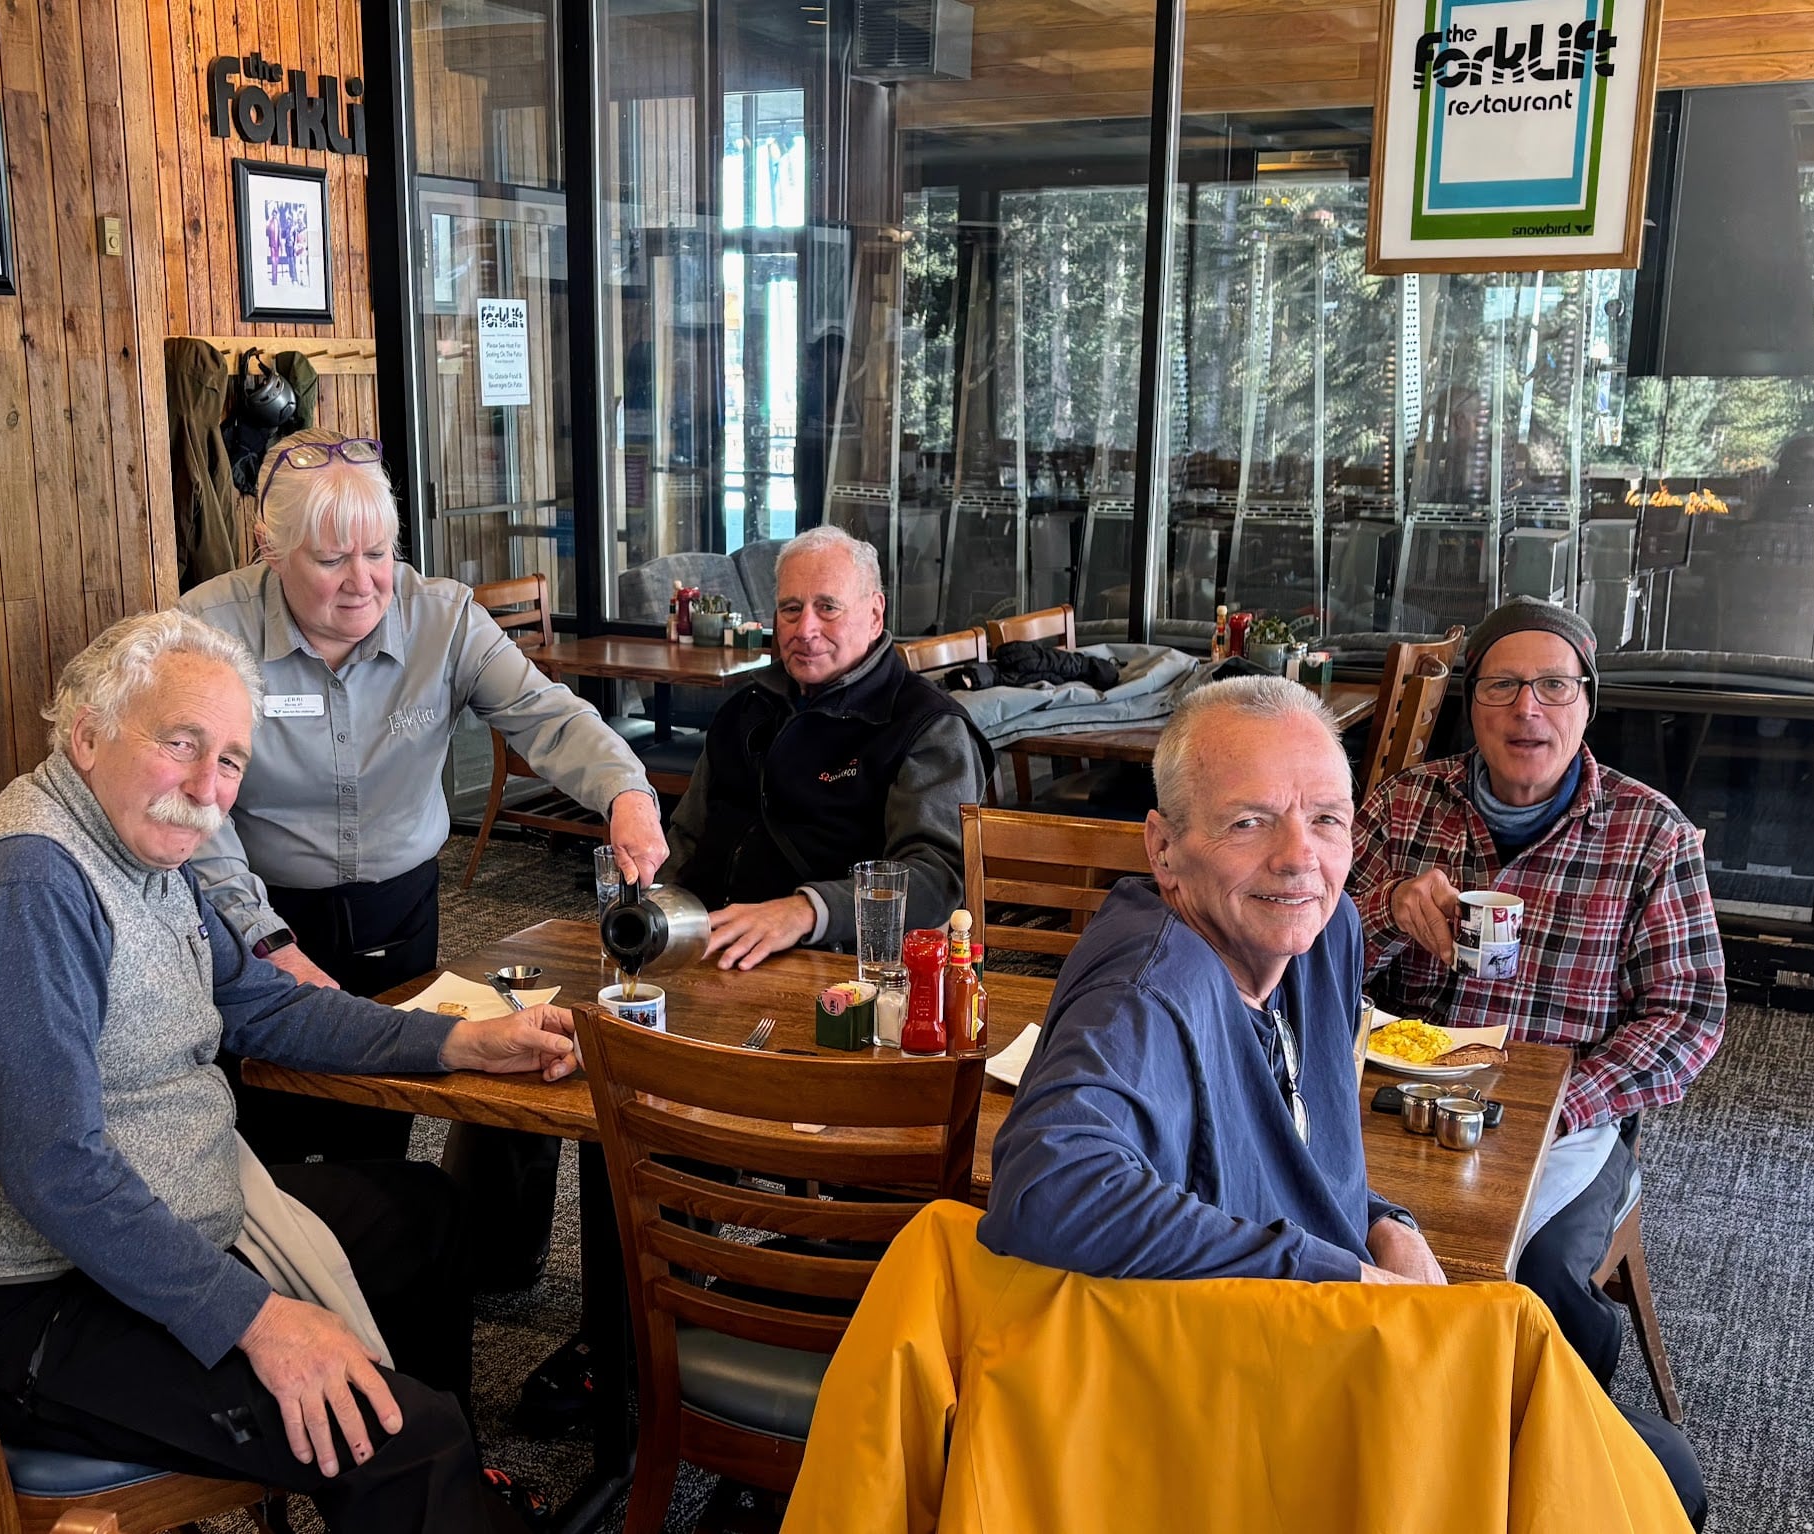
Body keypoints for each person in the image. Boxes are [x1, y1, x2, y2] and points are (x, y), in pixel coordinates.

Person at [0, 610, 578, 1531]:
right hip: (29, 1301)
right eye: (181, 743)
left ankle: (418, 1494)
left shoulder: (140, 851)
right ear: (86, 735)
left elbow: (264, 1001)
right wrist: (257, 1318)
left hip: (160, 1219)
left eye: (233, 761)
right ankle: (415, 1473)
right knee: (404, 1435)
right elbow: (56, 1171)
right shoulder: (31, 888)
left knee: (424, 1217)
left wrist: (456, 1043)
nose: (209, 787)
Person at [982, 675, 1706, 1524]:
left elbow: (1289, 1149)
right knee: (1646, 1479)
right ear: (1164, 848)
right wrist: (1341, 1273)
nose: (1300, 858)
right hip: (1229, 1404)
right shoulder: (1151, 982)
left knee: (1650, 1464)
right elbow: (1045, 1188)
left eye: (1326, 819)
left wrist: (1381, 1222)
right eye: (1249, 822)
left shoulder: (1325, 938)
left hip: (1326, 1346)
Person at [180, 430, 665, 1287]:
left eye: (379, 552)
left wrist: (625, 792)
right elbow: (195, 810)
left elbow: (549, 718)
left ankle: (384, 1304)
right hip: (253, 917)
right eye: (332, 560)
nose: (364, 581)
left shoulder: (443, 615)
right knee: (270, 1134)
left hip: (397, 911)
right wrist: (261, 938)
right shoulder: (205, 632)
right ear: (269, 546)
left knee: (383, 1120)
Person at [1352, 597, 1726, 1389]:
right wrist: (1385, 912)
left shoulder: (1648, 833)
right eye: (1503, 685)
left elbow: (1688, 1014)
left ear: (1587, 703)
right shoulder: (1403, 806)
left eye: (1554, 686)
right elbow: (1301, 960)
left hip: (1573, 1125)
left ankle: (1561, 1443)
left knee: (1541, 1275)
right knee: (1322, 1236)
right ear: (1472, 702)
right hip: (1405, 1103)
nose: (1528, 709)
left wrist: (1566, 1102)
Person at [660, 524, 989, 969]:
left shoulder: (926, 726)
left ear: (875, 615)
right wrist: (653, 908)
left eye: (827, 608)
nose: (805, 628)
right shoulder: (743, 709)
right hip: (699, 947)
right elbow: (685, 838)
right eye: (790, 609)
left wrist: (808, 910)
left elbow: (939, 881)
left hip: (832, 967)